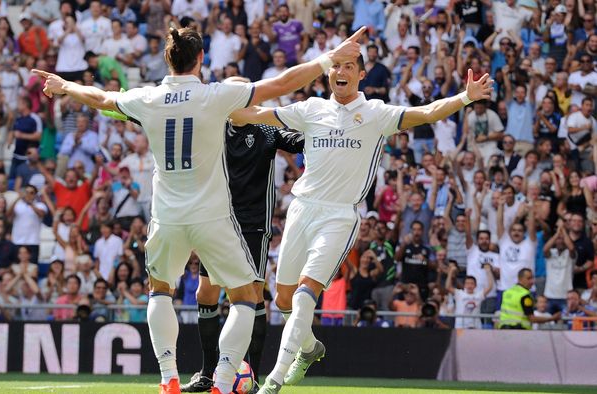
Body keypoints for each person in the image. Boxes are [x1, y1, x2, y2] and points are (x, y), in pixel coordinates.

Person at [32, 25, 364, 394]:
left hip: (166, 216)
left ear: (167, 59)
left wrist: (65, 87)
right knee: (244, 296)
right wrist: (326, 59)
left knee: (159, 290)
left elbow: (102, 98)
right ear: (201, 59)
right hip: (212, 218)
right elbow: (282, 83)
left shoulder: (149, 98)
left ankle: (167, 376)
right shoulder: (215, 97)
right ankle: (223, 380)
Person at [231, 56, 492, 392]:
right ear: (328, 73)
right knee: (283, 301)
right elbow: (250, 115)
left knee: (304, 296)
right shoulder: (309, 109)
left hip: (339, 216)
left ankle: (274, 380)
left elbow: (427, 113)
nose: (341, 72)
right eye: (336, 66)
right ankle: (309, 349)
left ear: (361, 74)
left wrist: (465, 97)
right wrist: (219, 103)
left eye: (349, 67)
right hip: (300, 209)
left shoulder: (376, 114)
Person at [181, 94, 304, 391]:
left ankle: (254, 377)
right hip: (218, 222)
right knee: (206, 294)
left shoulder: (267, 130)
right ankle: (208, 373)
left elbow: (300, 140)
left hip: (252, 226)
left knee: (252, 295)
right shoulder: (213, 127)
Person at [445, 263, 494, 329]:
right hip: (460, 326)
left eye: (472, 283)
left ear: (475, 285)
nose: (469, 285)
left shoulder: (479, 295)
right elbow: (448, 287)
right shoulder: (459, 293)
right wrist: (451, 272)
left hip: (476, 326)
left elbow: (490, 287)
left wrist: (488, 271)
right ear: (464, 285)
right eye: (467, 283)